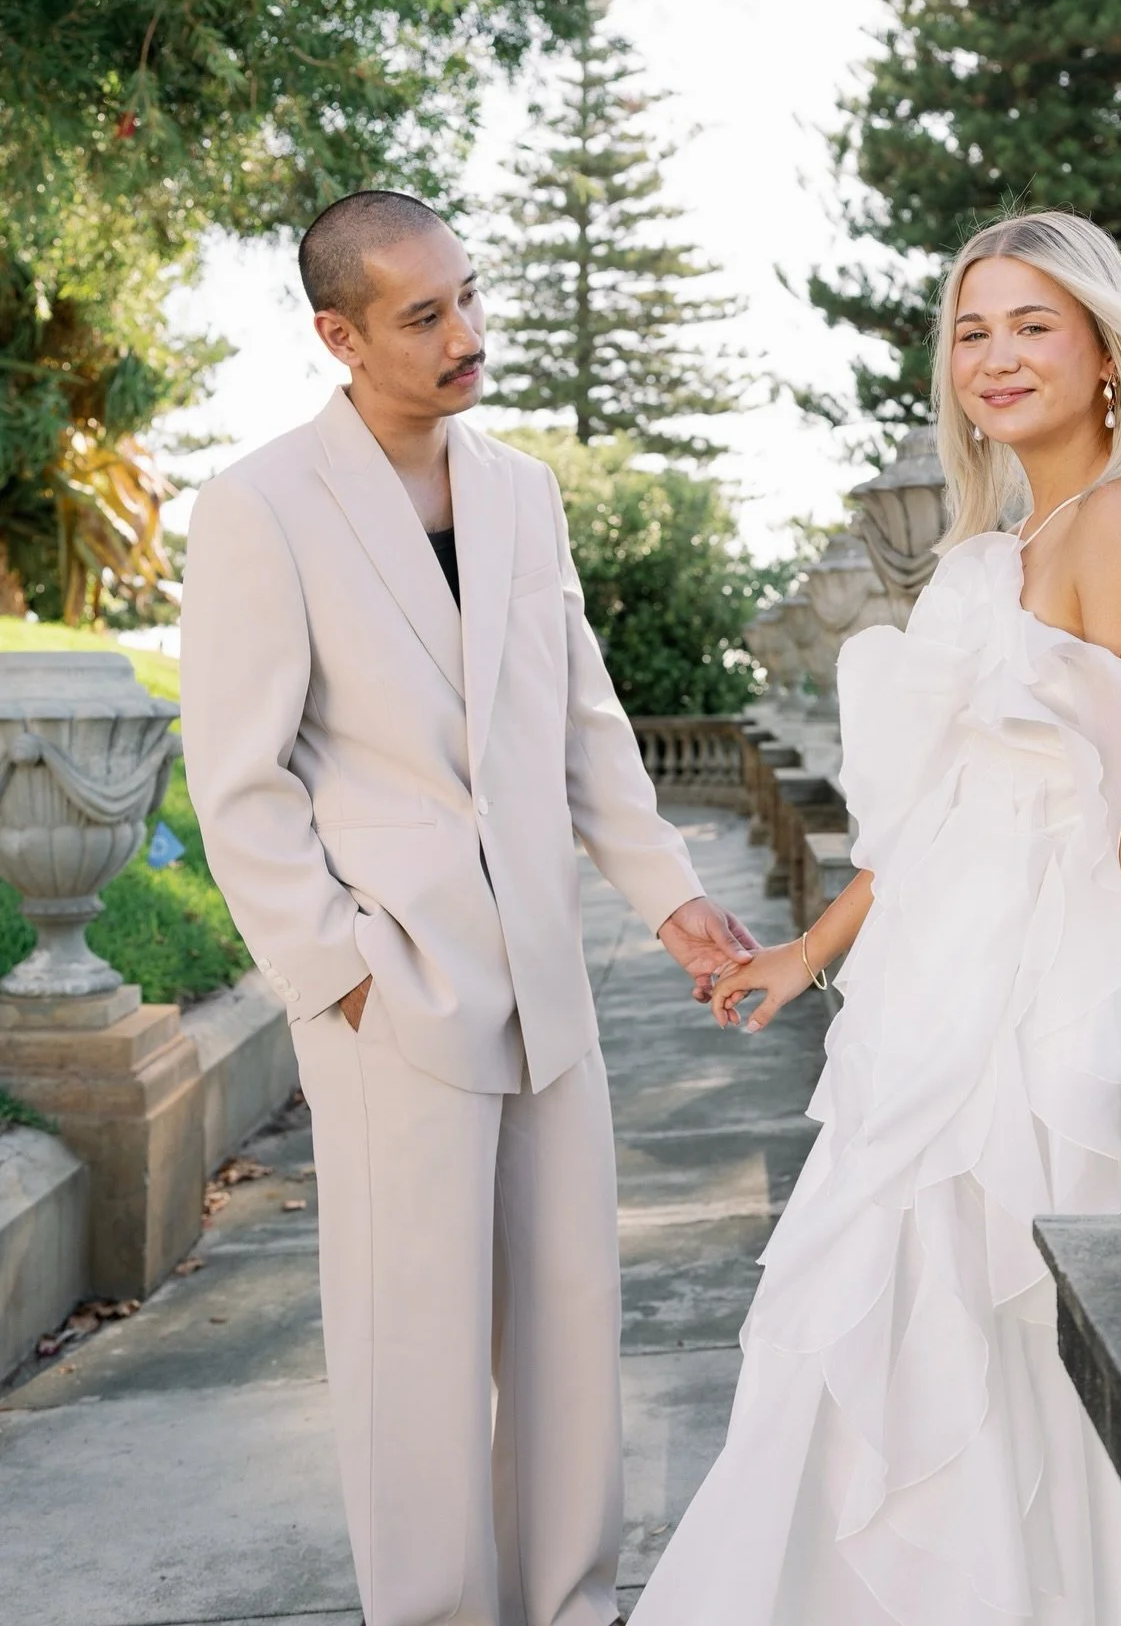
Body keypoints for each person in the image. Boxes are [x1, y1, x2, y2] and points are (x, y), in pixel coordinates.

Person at [629, 210, 1121, 1626]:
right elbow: (935, 812)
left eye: (1031, 325)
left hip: (1045, 995)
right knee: (874, 1324)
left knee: (998, 1327)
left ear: (1103, 351)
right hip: (931, 998)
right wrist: (809, 952)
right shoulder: (994, 548)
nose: (995, 357)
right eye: (970, 331)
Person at [180, 190, 757, 1626]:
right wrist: (340, 973)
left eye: (470, 300)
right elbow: (237, 781)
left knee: (570, 1324)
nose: (467, 337)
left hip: (549, 982)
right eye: (424, 315)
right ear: (340, 333)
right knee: (413, 1347)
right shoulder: (257, 506)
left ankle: (567, 1603)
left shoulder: (519, 491)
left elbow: (580, 725)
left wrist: (673, 902)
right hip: (393, 990)